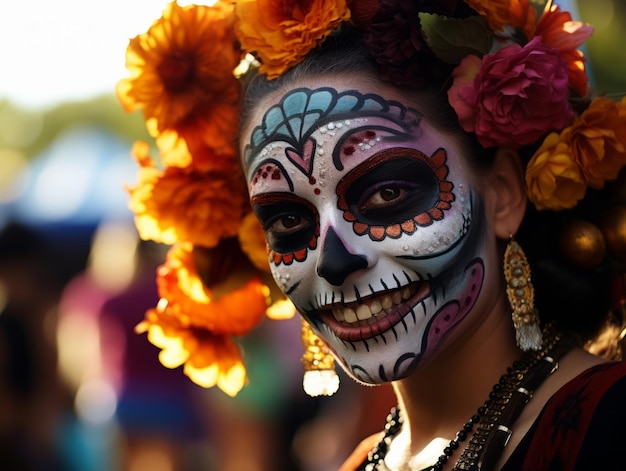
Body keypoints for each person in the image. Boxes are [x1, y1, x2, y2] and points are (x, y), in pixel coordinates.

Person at [116, 1, 626, 470]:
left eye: (385, 195)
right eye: (289, 221)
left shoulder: (606, 426)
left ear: (503, 193)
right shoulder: (363, 462)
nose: (333, 260)